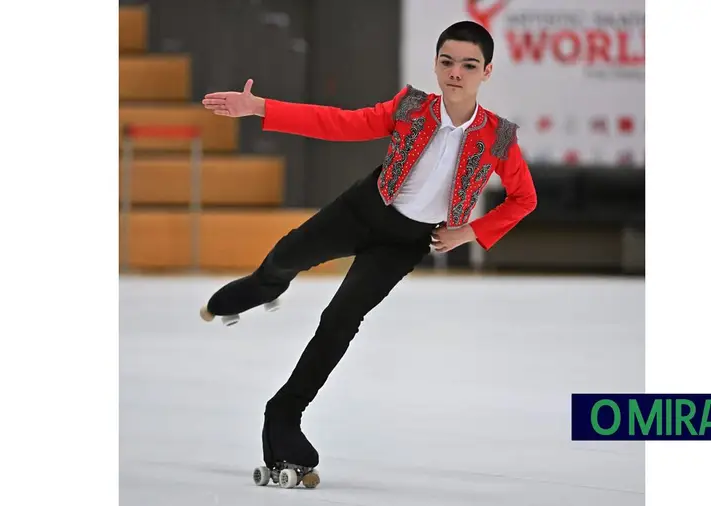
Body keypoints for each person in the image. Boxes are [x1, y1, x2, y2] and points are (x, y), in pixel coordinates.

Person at [199, 20, 537, 481]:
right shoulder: (411, 107)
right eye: (447, 62)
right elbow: (339, 123)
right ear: (436, 64)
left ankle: (284, 414)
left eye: (468, 64)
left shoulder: (498, 137)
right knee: (285, 255)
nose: (455, 72)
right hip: (361, 210)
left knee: (340, 320)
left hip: (403, 243)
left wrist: (470, 232)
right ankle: (264, 286)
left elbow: (525, 198)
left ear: (487, 71)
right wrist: (260, 107)